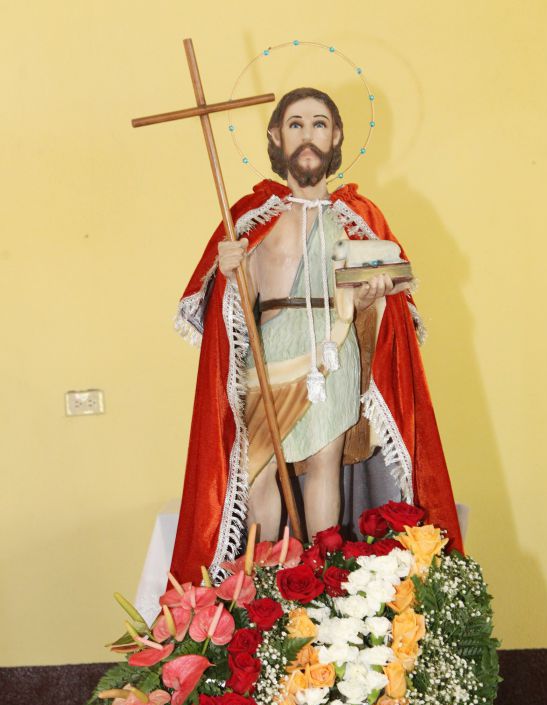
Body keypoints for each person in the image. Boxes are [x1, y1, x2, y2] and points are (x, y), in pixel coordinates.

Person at [170, 87, 463, 585]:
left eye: (320, 124)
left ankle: (322, 579)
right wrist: (231, 271)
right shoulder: (252, 214)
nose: (308, 135)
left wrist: (371, 296)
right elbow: (232, 306)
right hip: (271, 349)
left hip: (333, 346)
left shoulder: (358, 217)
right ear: (276, 137)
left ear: (337, 136)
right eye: (297, 124)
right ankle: (263, 585)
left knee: (326, 462)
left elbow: (385, 309)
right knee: (260, 466)